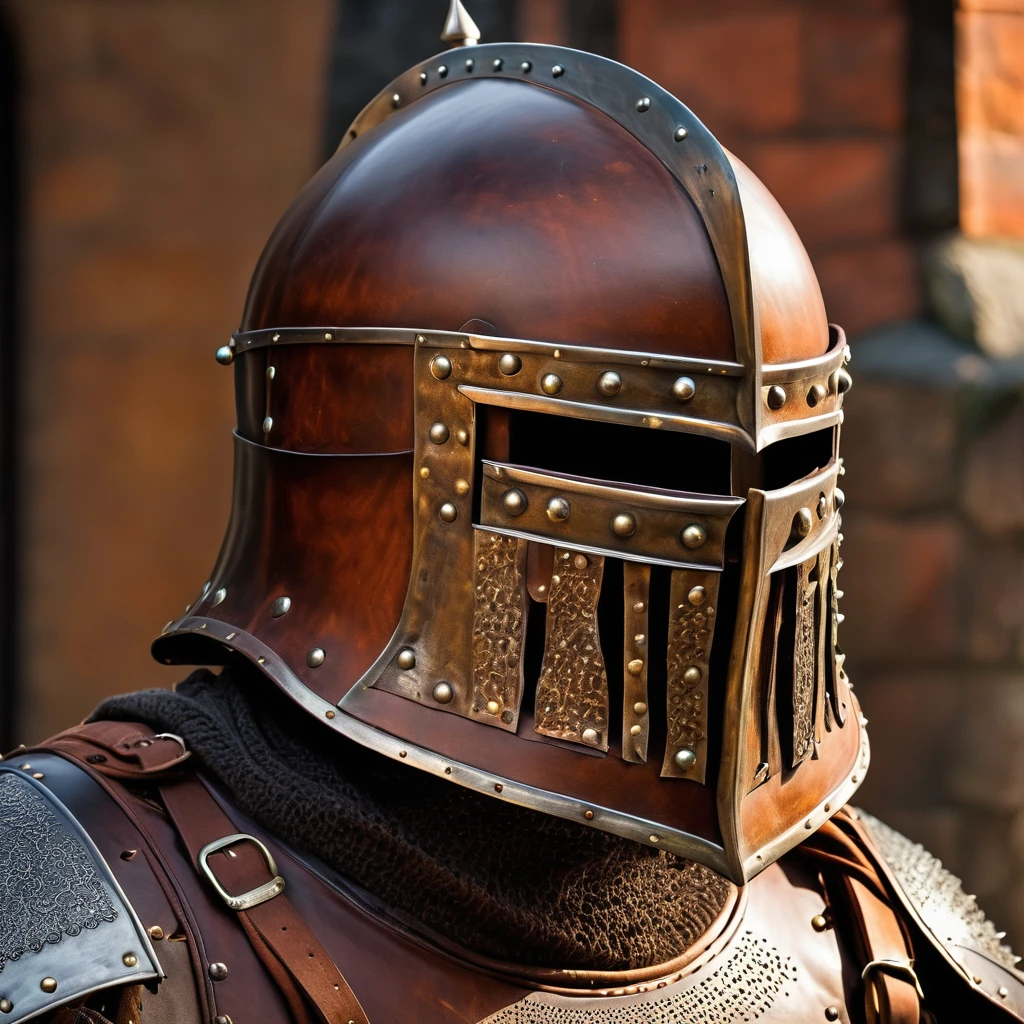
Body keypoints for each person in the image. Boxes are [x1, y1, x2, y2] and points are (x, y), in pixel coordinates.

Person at [3, 4, 1021, 1022]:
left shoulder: (873, 921)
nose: (730, 528)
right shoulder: (62, 902)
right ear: (368, 462)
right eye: (610, 455)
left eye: (778, 458)